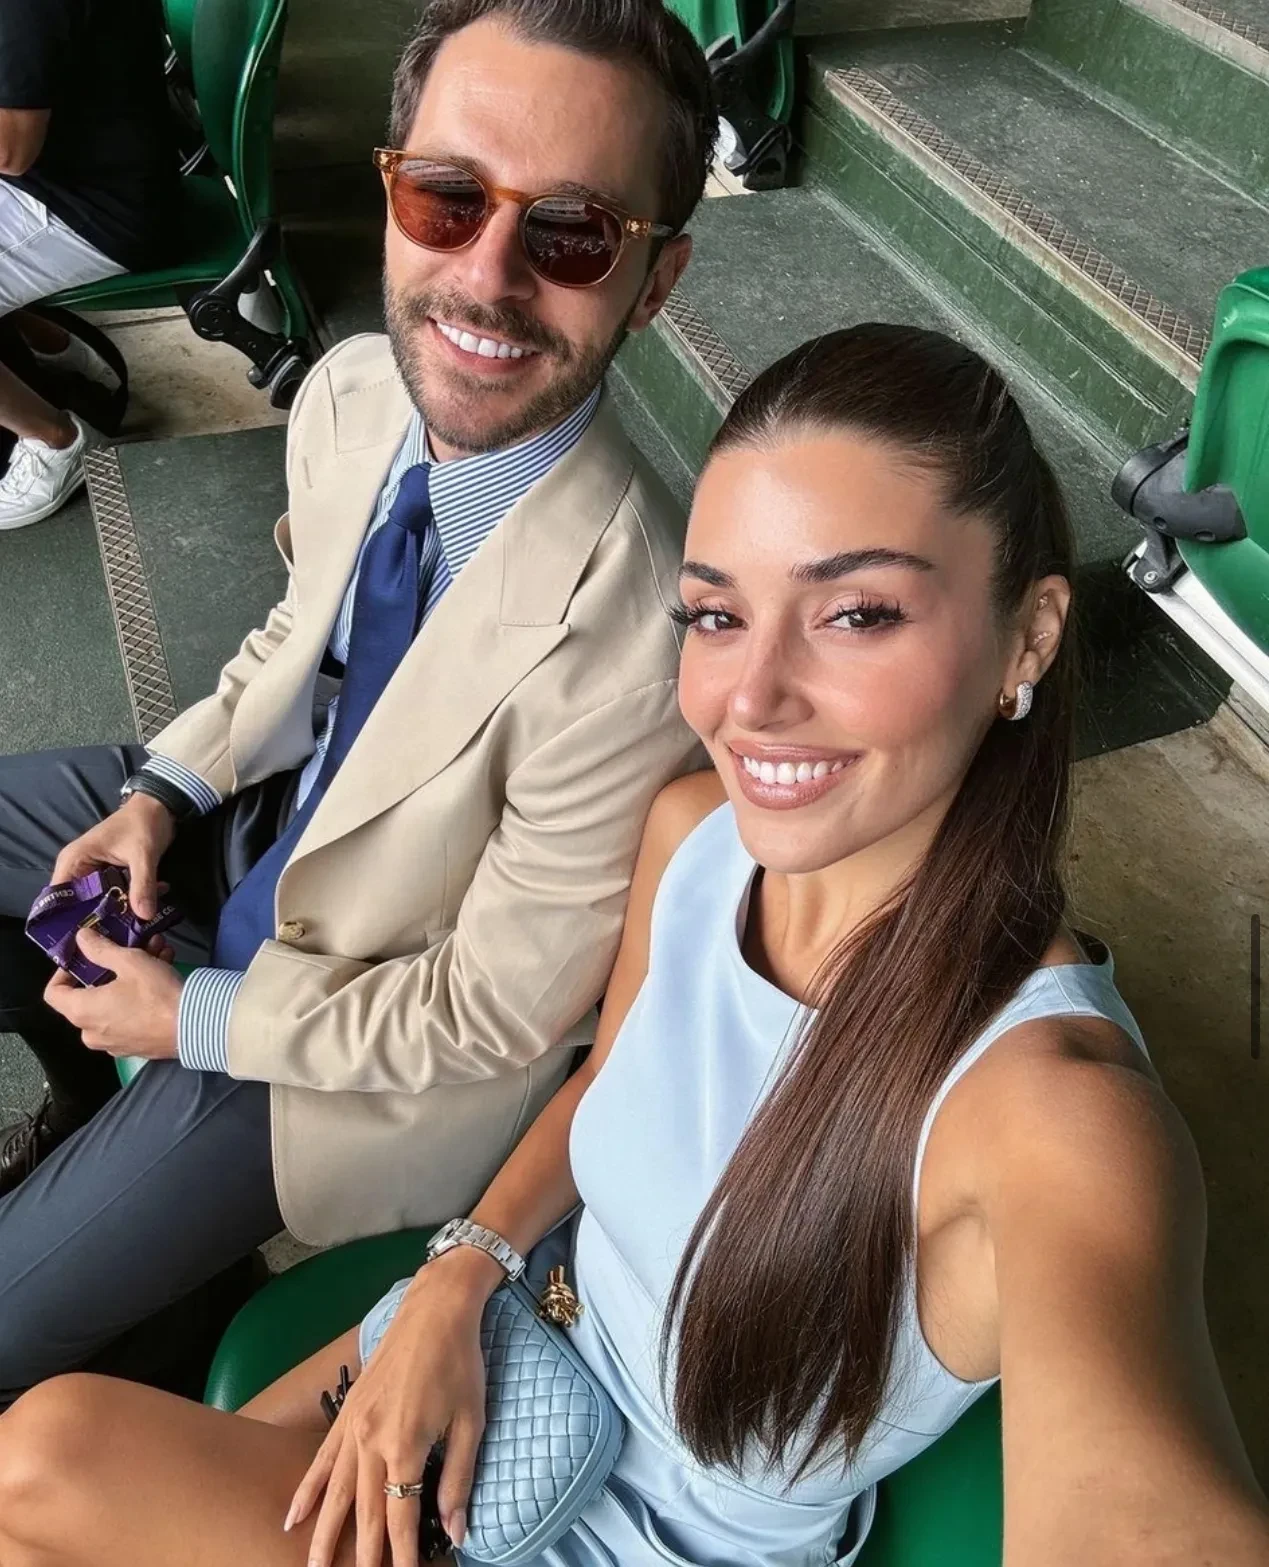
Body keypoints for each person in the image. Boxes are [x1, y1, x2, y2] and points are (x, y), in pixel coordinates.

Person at [4, 323, 1267, 1567]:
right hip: (510, 1350)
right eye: (716, 616)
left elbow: (1145, 1515)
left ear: (1029, 636)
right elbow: (609, 1079)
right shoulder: (698, 836)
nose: (751, 697)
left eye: (857, 612)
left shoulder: (1058, 1114)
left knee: (46, 1466)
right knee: (42, 1471)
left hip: (632, 1535)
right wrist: (464, 1269)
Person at [0, 0, 715, 1406]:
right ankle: (88, 1108)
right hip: (256, 828)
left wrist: (196, 1022)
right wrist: (164, 794)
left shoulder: (641, 642)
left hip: (350, 1037)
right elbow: (295, 641)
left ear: (655, 280)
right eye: (448, 196)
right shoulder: (352, 392)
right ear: (389, 192)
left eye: (573, 232)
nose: (487, 277)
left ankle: (150, 1279)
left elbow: (488, 1013)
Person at [0, 0, 177, 529]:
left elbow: (10, 150)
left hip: (91, 209)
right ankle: (55, 350)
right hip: (84, 173)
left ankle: (55, 440)